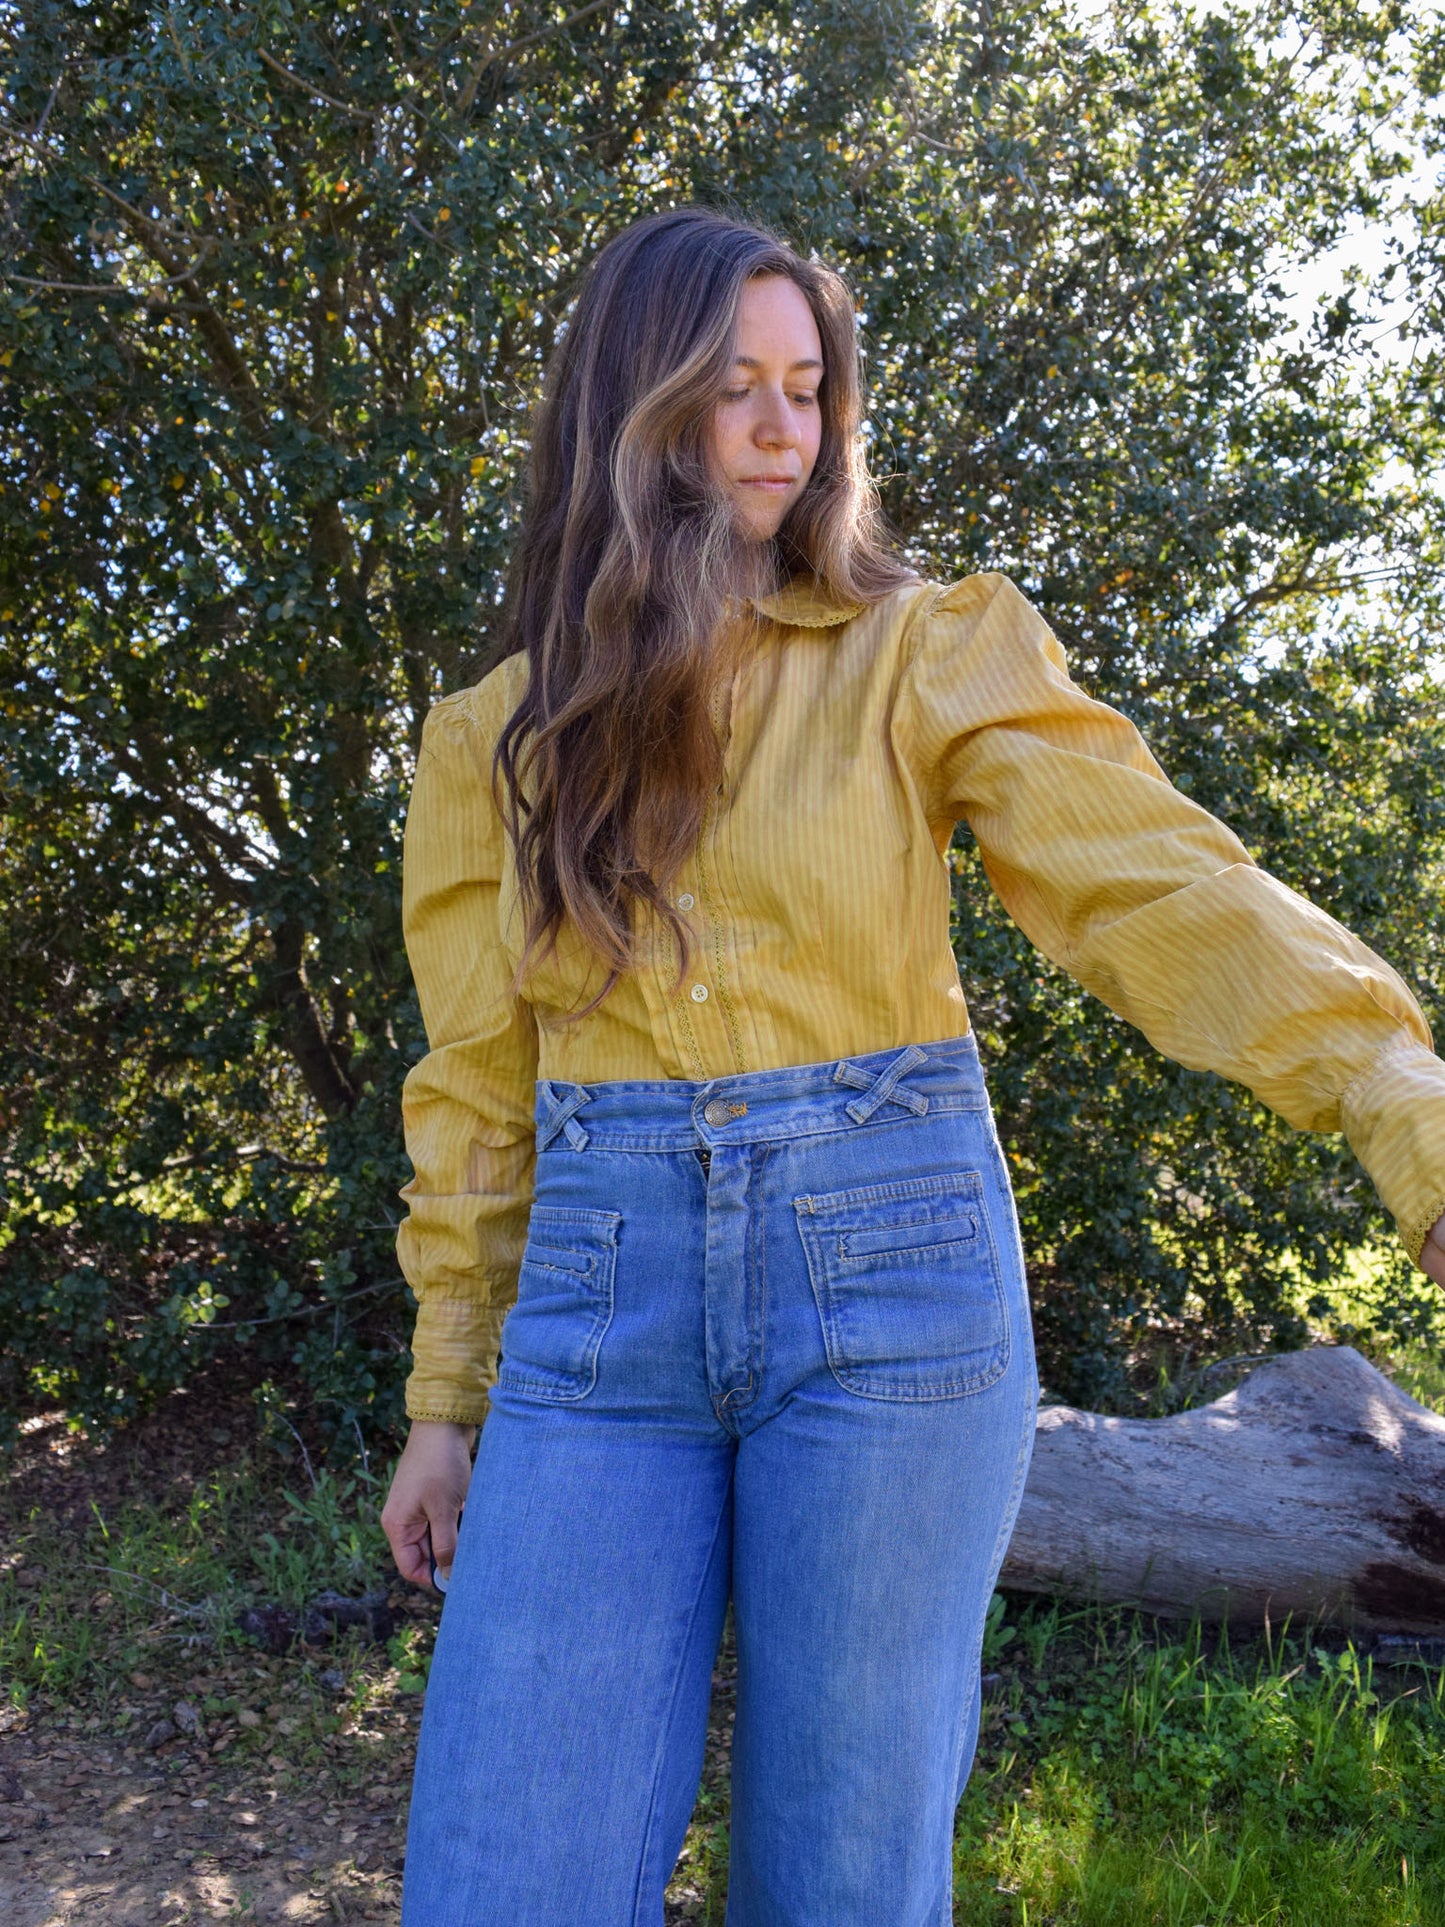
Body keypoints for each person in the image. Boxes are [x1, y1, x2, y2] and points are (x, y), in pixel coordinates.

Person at [381, 206, 1445, 1926]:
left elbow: (1156, 885)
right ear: (632, 406)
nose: (781, 430)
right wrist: (444, 1404)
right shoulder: (495, 741)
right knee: (506, 1869)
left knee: (844, 1879)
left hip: (889, 1284)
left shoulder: (922, 653)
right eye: (733, 388)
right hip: (596, 1310)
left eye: (807, 388)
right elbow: (479, 1092)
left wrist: (1396, 1095)